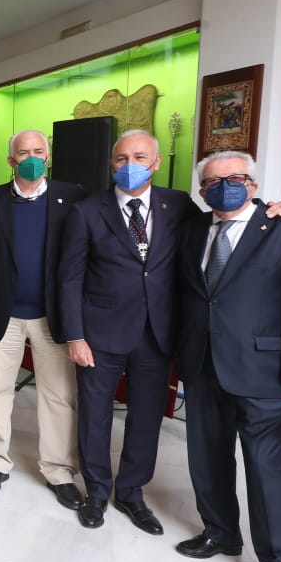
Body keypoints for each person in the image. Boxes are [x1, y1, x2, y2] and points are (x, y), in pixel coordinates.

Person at [176, 151, 281, 562]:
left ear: (253, 185)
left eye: (235, 179)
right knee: (206, 456)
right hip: (202, 364)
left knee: (266, 468)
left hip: (263, 369)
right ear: (202, 192)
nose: (224, 187)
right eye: (213, 183)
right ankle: (220, 532)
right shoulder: (195, 228)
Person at [59, 130, 200, 533]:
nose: (129, 164)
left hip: (157, 333)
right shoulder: (87, 211)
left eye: (139, 156)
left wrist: (269, 207)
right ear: (111, 164)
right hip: (98, 334)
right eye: (121, 158)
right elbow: (69, 277)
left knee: (146, 417)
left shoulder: (179, 205)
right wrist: (75, 335)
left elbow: (218, 225)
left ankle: (132, 492)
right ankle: (98, 491)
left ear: (155, 163)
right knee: (95, 415)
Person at [0, 130, 86, 508]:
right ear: (10, 160)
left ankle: (58, 469)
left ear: (47, 155)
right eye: (22, 152)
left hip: (53, 316)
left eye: (38, 151)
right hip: (5, 314)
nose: (31, 157)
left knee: (59, 396)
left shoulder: (75, 197)